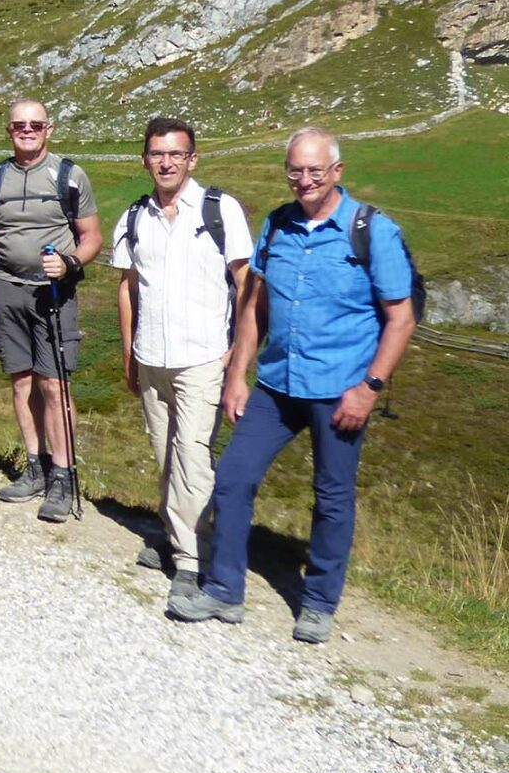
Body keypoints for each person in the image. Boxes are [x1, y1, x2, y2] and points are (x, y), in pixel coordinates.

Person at [169, 128, 416, 644]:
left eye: (315, 171)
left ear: (337, 172)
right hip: (277, 383)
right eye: (295, 171)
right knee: (233, 478)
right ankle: (224, 590)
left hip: (341, 388)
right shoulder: (277, 224)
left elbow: (401, 317)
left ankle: (319, 603)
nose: (304, 180)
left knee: (332, 495)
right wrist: (238, 374)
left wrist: (369, 387)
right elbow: (255, 307)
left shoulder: (372, 230)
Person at [111, 117, 252, 605]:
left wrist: (237, 355)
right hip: (151, 355)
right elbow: (128, 288)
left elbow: (245, 283)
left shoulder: (219, 210)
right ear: (145, 159)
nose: (166, 163)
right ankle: (176, 536)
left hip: (203, 356)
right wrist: (128, 352)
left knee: (192, 456)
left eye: (176, 154)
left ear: (193, 159)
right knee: (166, 454)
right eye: (157, 154)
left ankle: (193, 562)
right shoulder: (135, 217)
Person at [0, 99, 102, 523]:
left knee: (54, 384)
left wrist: (70, 263)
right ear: (8, 130)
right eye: (19, 125)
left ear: (49, 128)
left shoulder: (69, 176)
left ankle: (62, 475)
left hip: (54, 291)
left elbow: (91, 236)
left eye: (35, 124)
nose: (27, 130)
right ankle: (35, 467)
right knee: (21, 381)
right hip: (7, 287)